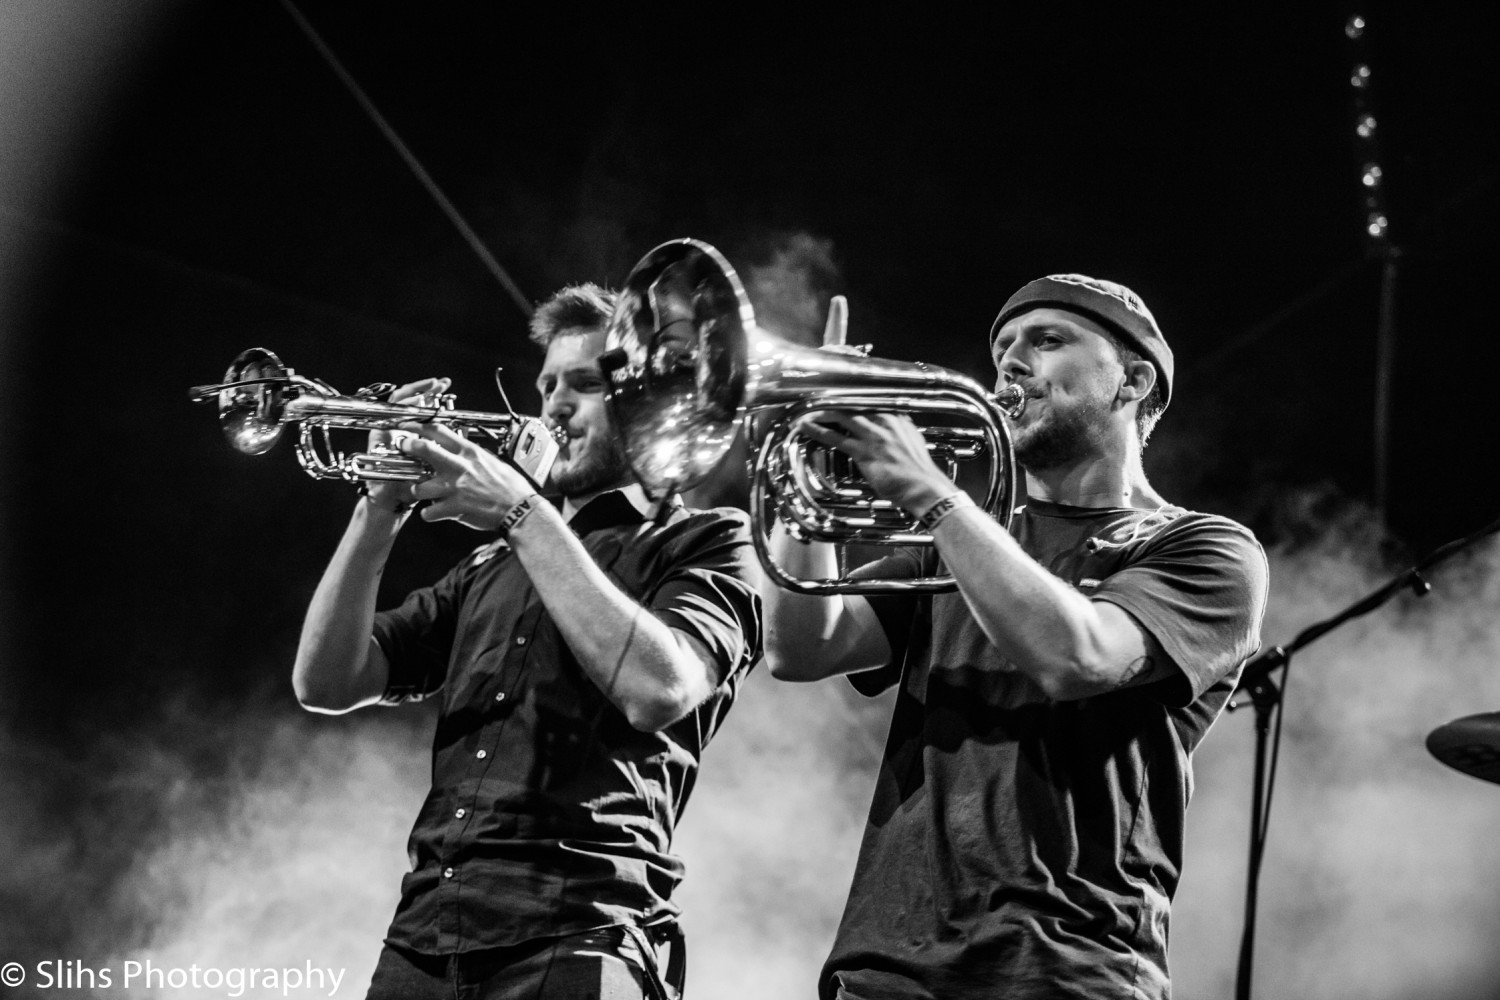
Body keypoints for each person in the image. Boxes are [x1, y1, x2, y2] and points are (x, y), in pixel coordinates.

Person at [761, 274, 1269, 999]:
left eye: (1049, 340)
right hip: (886, 970)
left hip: (1065, 969)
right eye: (1003, 346)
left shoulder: (1205, 547)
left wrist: (931, 493)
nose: (1011, 363)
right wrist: (805, 484)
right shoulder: (960, 541)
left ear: (1133, 379)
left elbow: (1079, 657)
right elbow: (802, 647)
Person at [292, 284, 763, 1000]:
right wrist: (378, 505)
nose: (553, 407)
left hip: (582, 935)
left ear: (647, 399)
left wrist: (521, 511)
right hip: (422, 941)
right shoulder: (490, 565)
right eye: (546, 385)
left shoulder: (707, 539)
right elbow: (325, 682)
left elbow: (659, 689)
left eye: (583, 384)